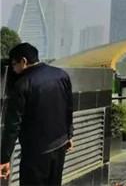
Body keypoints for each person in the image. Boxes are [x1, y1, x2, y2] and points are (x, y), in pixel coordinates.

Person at [0, 43, 74, 186]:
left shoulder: (22, 84)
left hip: (36, 153)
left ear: (24, 61)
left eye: (14, 64)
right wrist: (69, 135)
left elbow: (13, 126)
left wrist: (4, 158)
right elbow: (68, 107)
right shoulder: (61, 74)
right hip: (59, 145)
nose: (13, 69)